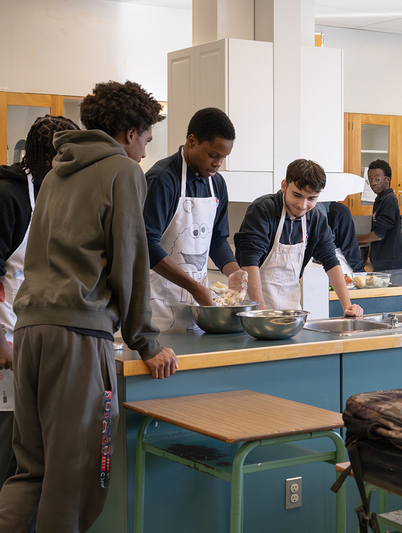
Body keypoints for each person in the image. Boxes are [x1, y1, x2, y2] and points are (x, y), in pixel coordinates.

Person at [0, 80, 179, 532]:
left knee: (31, 471)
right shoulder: (122, 171)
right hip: (77, 339)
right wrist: (146, 341)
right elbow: (131, 261)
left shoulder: (57, 171)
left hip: (30, 332)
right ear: (129, 132)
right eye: (145, 141)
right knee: (79, 475)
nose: (143, 153)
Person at [0, 115, 80, 487]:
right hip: (6, 341)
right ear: (51, 159)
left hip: (34, 339)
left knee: (30, 451)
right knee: (8, 448)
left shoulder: (53, 196)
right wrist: (1, 341)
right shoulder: (9, 196)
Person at [144, 107, 247, 332]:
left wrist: (234, 271)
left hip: (198, 311)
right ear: (192, 141)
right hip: (158, 305)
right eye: (212, 155)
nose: (218, 163)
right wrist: (194, 287)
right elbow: (146, 245)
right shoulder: (162, 180)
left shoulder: (217, 184)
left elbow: (217, 239)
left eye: (223, 157)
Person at [235, 159, 364, 316]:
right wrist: (261, 312)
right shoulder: (263, 210)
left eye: (311, 198)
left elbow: (330, 260)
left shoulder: (315, 217)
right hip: (254, 309)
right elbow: (249, 262)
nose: (303, 205)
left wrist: (347, 306)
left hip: (290, 311)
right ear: (284, 186)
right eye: (297, 195)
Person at [357, 160, 402, 286]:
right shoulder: (380, 200)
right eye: (370, 180)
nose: (373, 183)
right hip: (383, 265)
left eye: (377, 179)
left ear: (387, 179)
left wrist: (354, 240)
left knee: (391, 304)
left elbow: (378, 234)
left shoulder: (389, 200)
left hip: (390, 266)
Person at [315, 201, 364, 277]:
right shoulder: (340, 211)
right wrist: (361, 273)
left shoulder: (300, 207)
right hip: (336, 264)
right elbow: (350, 248)